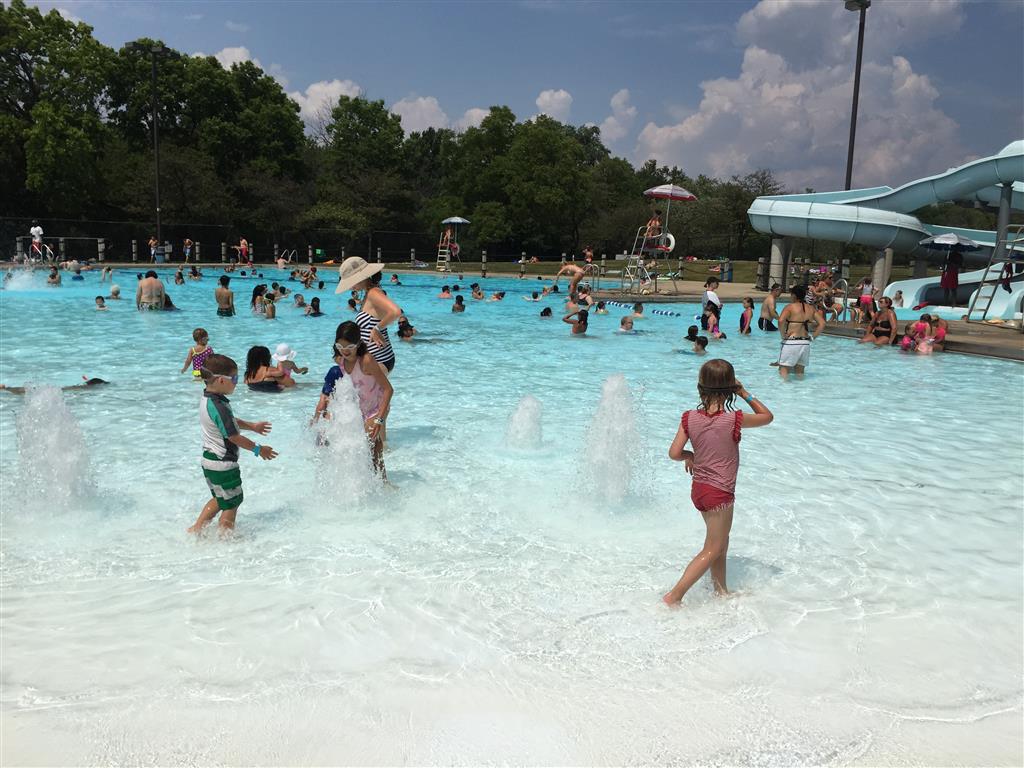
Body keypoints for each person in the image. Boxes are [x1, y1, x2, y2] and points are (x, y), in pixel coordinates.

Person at [662, 359, 773, 606]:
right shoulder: (734, 419)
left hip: (699, 489)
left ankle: (721, 591)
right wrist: (744, 393)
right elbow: (767, 417)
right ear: (730, 387)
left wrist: (689, 455)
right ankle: (674, 596)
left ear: (700, 387)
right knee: (713, 547)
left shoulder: (689, 418)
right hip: (719, 492)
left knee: (720, 541)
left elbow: (674, 453)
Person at [188, 354, 276, 534]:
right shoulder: (219, 406)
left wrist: (252, 426)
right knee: (232, 502)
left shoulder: (208, 400)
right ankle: (225, 539)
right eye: (234, 378)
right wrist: (258, 449)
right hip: (223, 464)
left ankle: (197, 529)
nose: (237, 382)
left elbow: (228, 422)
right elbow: (233, 436)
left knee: (220, 498)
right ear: (221, 380)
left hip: (209, 461)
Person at [314, 321, 394, 477]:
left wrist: (380, 419)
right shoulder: (341, 360)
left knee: (367, 446)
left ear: (358, 344)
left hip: (377, 408)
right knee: (374, 451)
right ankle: (382, 484)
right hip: (361, 410)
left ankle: (373, 484)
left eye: (349, 347)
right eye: (340, 346)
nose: (344, 351)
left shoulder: (366, 361)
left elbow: (388, 389)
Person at [336, 257, 400, 373]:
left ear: (361, 277)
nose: (350, 287)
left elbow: (396, 312)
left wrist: (377, 329)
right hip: (373, 358)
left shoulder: (373, 293)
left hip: (380, 359)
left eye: (351, 282)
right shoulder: (368, 293)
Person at [776, 285, 823, 380]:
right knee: (800, 372)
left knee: (783, 369)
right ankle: (801, 388)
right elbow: (822, 323)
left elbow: (780, 321)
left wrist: (783, 335)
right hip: (805, 343)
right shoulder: (810, 308)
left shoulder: (789, 307)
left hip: (791, 342)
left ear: (794, 295)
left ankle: (783, 388)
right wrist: (813, 337)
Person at [1, 376, 108, 395]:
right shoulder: (83, 388)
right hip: (59, 390)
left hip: (60, 388)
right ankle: (5, 389)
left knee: (30, 390)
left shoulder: (80, 385)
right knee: (29, 392)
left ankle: (6, 389)